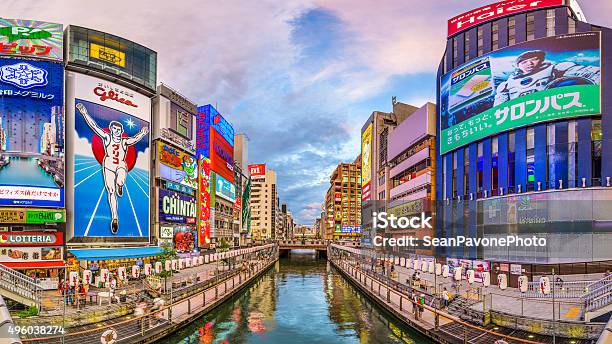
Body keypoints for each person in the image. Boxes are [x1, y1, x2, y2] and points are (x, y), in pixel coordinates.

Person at [76, 103, 149, 235]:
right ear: (111, 130)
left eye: (118, 129)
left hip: (120, 164)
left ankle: (120, 184)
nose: (116, 131)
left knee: (120, 181)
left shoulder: (124, 141)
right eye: (114, 129)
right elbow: (94, 126)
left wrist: (143, 133)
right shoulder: (107, 137)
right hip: (108, 165)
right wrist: (84, 113)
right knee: (111, 191)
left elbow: (135, 139)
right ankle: (115, 218)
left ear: (121, 131)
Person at [494, 50, 600, 106]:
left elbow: (592, 74)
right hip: (521, 118)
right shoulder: (506, 85)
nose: (529, 63)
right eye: (524, 62)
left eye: (534, 59)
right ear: (518, 65)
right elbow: (499, 109)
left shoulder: (557, 69)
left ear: (541, 60)